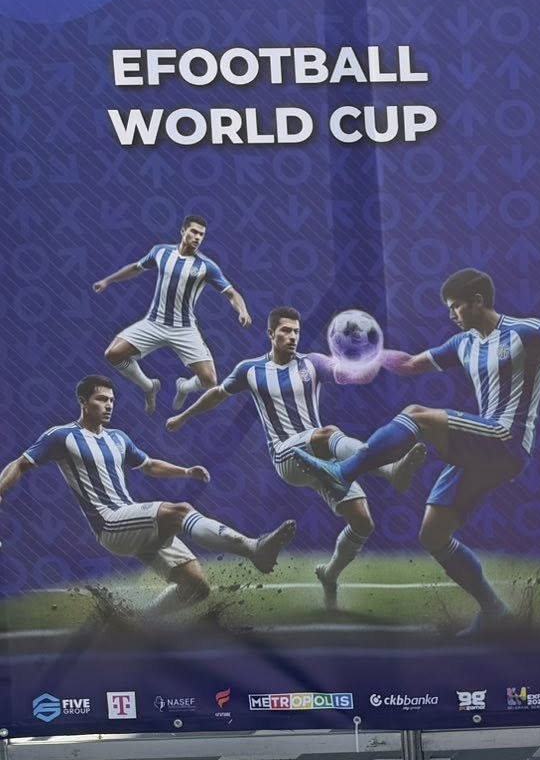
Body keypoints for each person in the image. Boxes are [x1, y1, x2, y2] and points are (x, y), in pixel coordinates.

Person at [295, 268, 540, 637]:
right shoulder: (463, 343)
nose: (451, 314)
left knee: (416, 415)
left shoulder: (527, 331)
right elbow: (411, 364)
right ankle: (495, 611)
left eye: (455, 306)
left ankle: (343, 472)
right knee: (433, 535)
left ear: (478, 301)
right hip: (480, 447)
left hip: (506, 439)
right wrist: (367, 356)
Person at [167, 307, 429, 610]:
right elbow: (217, 394)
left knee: (362, 522)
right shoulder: (250, 370)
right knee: (328, 433)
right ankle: (390, 469)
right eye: (286, 331)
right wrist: (183, 417)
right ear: (271, 333)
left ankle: (329, 574)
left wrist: (377, 358)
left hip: (324, 459)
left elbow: (350, 374)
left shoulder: (312, 363)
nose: (292, 336)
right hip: (287, 455)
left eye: (296, 331)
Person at [0, 375, 294, 617]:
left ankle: (138, 624)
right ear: (83, 402)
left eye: (111, 400)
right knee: (180, 511)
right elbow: (20, 464)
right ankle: (254, 548)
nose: (108, 405)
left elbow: (149, 464)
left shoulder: (118, 438)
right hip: (110, 523)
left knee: (196, 588)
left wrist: (186, 471)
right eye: (101, 399)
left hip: (133, 521)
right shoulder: (62, 436)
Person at [92, 214, 252, 415]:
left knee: (210, 381)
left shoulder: (206, 266)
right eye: (194, 232)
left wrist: (242, 310)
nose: (197, 237)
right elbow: (136, 268)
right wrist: (108, 280)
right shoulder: (161, 252)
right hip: (154, 323)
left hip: (184, 329)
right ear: (183, 231)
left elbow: (232, 293)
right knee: (113, 354)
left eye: (201, 234)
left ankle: (183, 387)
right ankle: (149, 386)